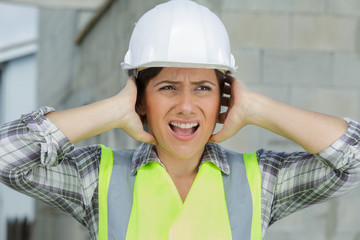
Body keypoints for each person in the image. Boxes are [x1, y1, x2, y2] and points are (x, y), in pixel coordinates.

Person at [1, 0, 359, 239]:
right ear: (141, 99)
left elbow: (352, 160)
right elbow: (6, 157)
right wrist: (112, 110)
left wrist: (258, 109)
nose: (187, 107)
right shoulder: (96, 177)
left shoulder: (262, 180)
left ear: (225, 98)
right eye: (168, 87)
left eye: (203, 88)